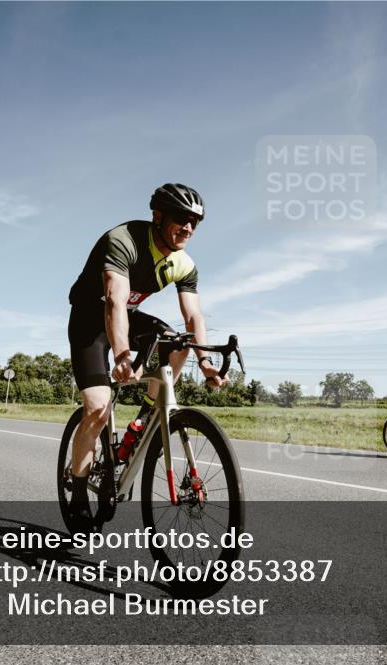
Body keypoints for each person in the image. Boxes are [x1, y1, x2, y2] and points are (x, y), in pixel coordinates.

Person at [66, 183, 225, 529]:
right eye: (181, 219)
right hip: (90, 320)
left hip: (126, 317)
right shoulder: (124, 240)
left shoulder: (183, 264)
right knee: (96, 407)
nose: (188, 228)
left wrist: (206, 363)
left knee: (179, 341)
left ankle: (144, 418)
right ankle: (78, 489)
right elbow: (114, 300)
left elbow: (194, 317)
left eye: (195, 222)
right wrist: (122, 355)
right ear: (158, 215)